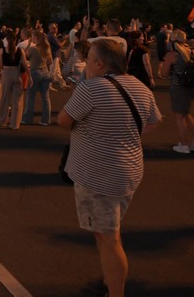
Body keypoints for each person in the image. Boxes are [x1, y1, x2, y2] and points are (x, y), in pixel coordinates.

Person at [58, 39, 162, 297]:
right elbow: (154, 121)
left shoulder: (90, 89)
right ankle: (109, 277)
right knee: (106, 231)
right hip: (128, 171)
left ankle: (115, 290)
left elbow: (63, 120)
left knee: (109, 238)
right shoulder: (139, 87)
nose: (86, 63)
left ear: (99, 63)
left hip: (98, 176)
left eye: (89, 59)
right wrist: (122, 135)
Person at [159, 29, 194, 153]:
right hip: (190, 86)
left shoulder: (172, 54)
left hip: (178, 87)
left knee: (179, 117)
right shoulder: (189, 51)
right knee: (186, 114)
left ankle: (184, 144)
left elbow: (163, 73)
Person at [22, 29, 53, 126]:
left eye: (33, 36)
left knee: (31, 97)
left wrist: (28, 44)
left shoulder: (33, 49)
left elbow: (24, 56)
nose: (32, 38)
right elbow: (50, 61)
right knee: (45, 98)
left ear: (36, 38)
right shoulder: (47, 48)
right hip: (45, 72)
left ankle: (27, 119)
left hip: (35, 72)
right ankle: (46, 120)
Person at [0, 28, 24, 129]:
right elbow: (24, 64)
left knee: (5, 99)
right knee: (17, 101)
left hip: (6, 74)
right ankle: (15, 124)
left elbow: (0, 65)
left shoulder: (2, 51)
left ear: (6, 40)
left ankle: (2, 121)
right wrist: (29, 77)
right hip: (17, 74)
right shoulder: (20, 50)